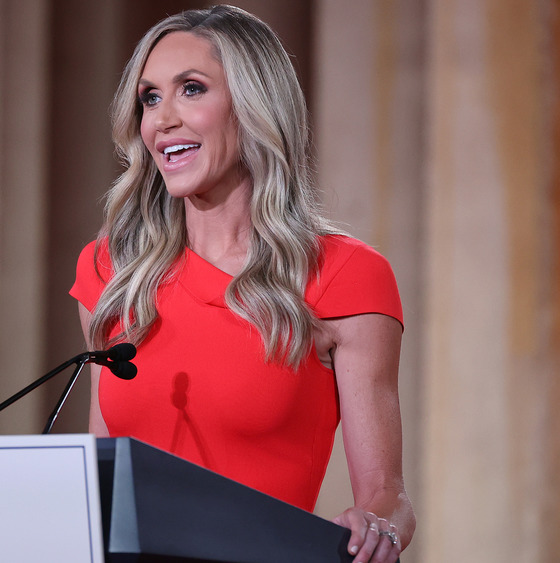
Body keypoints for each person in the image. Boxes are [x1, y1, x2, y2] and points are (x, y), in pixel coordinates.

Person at [69, 5, 415, 563]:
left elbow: (388, 496)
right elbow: (101, 473)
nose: (161, 120)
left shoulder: (343, 274)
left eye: (192, 89)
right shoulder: (113, 272)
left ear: (254, 105)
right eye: (150, 98)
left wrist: (378, 528)